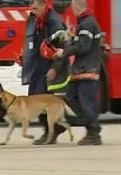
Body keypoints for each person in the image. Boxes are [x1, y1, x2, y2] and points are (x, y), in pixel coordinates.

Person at [17, 0, 71, 145]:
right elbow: (33, 42)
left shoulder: (54, 22)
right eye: (31, 7)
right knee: (34, 99)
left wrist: (54, 68)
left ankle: (51, 132)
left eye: (35, 7)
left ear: (43, 5)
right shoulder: (36, 19)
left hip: (48, 67)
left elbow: (61, 49)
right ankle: (54, 128)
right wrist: (26, 57)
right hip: (37, 66)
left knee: (41, 102)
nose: (32, 10)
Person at [54, 0, 103, 145]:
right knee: (71, 99)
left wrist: (64, 52)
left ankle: (93, 133)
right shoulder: (84, 23)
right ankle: (73, 124)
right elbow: (80, 43)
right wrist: (69, 40)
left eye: (72, 8)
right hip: (80, 70)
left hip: (86, 70)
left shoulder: (87, 23)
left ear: (76, 7)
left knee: (86, 102)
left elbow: (83, 46)